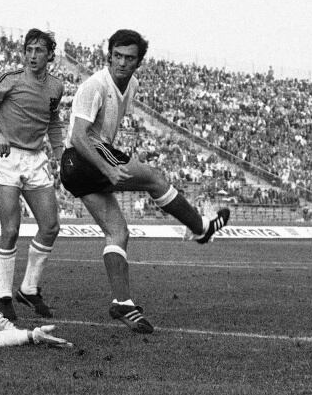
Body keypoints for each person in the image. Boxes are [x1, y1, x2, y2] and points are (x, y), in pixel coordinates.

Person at [59, 29, 230, 334]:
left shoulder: (132, 85)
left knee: (118, 233)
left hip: (81, 168)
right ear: (109, 56)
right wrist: (108, 169)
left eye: (130, 58)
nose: (122, 63)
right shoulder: (94, 86)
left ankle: (123, 303)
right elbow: (78, 136)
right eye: (117, 56)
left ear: (139, 63)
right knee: (154, 178)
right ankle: (200, 228)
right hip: (83, 157)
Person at [0, 28, 66, 321]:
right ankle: (4, 296)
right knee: (11, 230)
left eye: (39, 50)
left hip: (36, 159)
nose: (32, 55)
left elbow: (53, 121)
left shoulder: (56, 87)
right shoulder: (11, 79)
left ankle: (28, 288)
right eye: (29, 50)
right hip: (7, 157)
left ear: (50, 55)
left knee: (50, 226)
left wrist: (61, 154)